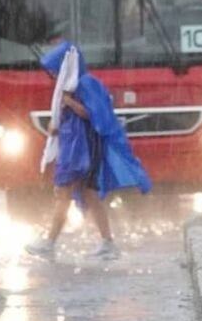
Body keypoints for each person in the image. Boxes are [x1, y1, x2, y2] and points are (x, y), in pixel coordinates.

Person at [25, 41, 152, 260]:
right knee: (89, 194)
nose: (54, 76)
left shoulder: (85, 84)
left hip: (84, 150)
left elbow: (95, 115)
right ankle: (106, 242)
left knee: (64, 193)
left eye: (56, 70)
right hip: (74, 149)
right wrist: (56, 128)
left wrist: (69, 103)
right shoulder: (70, 87)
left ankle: (50, 242)